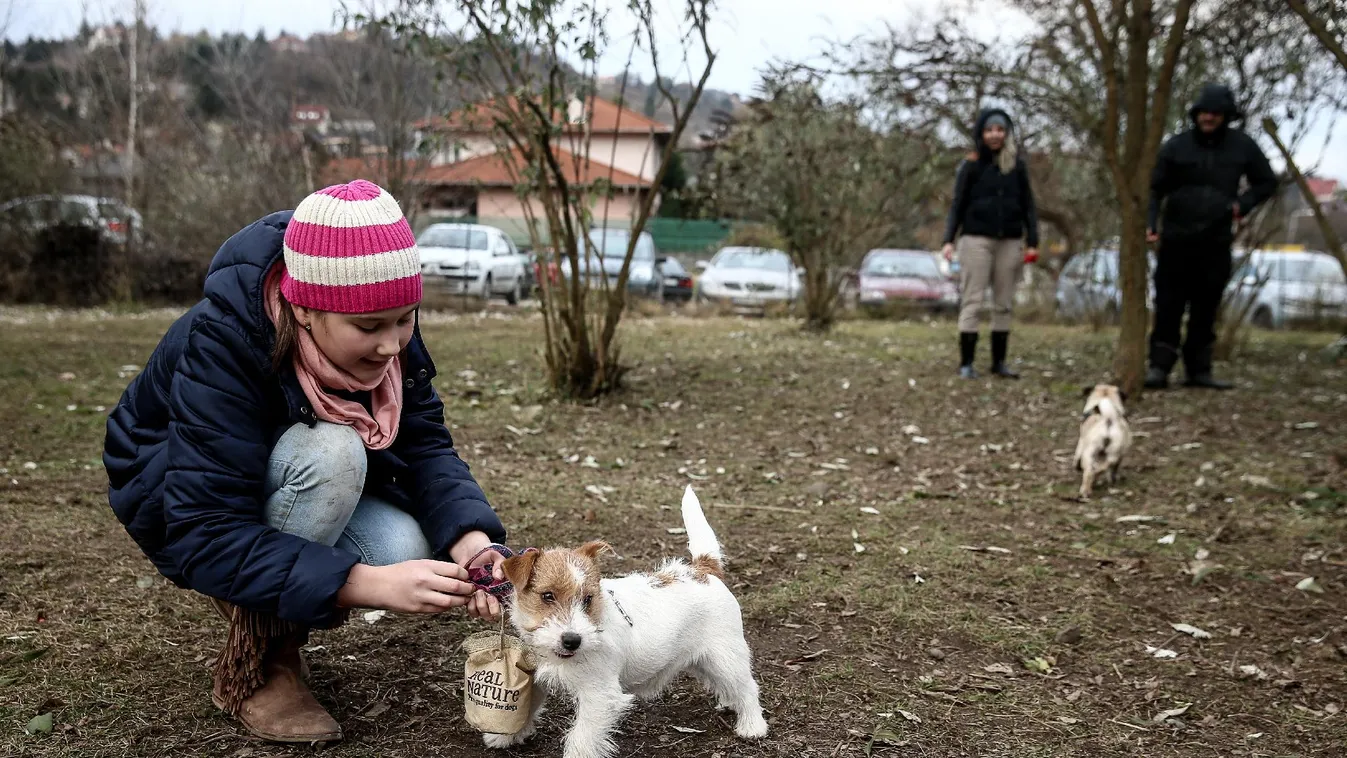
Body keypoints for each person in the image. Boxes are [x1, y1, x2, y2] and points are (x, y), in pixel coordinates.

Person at [103, 180, 508, 743]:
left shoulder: (386, 327)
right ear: (304, 309)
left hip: (289, 476)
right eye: (369, 327)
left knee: (408, 544)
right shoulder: (222, 341)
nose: (392, 346)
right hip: (176, 495)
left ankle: (276, 583)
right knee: (332, 450)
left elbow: (424, 444)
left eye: (406, 319)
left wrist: (473, 541)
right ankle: (261, 663)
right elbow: (205, 528)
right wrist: (366, 583)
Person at [1145, 82, 1276, 390]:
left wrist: (1242, 205)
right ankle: (1159, 368)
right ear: (1196, 114)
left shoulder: (1242, 146)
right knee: (1168, 306)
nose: (1209, 117)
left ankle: (1198, 370)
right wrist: (1151, 224)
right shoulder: (1176, 146)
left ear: (1226, 115)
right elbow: (1154, 189)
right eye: (1204, 112)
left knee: (1205, 307)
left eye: (1215, 113)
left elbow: (1266, 182)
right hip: (1176, 239)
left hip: (1215, 240)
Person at [942, 107, 1040, 380]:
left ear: (1007, 133)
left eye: (1000, 130)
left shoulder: (1017, 166)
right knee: (972, 300)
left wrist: (1033, 240)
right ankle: (966, 363)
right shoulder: (971, 166)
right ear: (981, 133)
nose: (995, 135)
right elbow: (957, 204)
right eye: (989, 130)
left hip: (1009, 240)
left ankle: (999, 363)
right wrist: (948, 240)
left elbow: (1028, 205)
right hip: (976, 240)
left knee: (1003, 303)